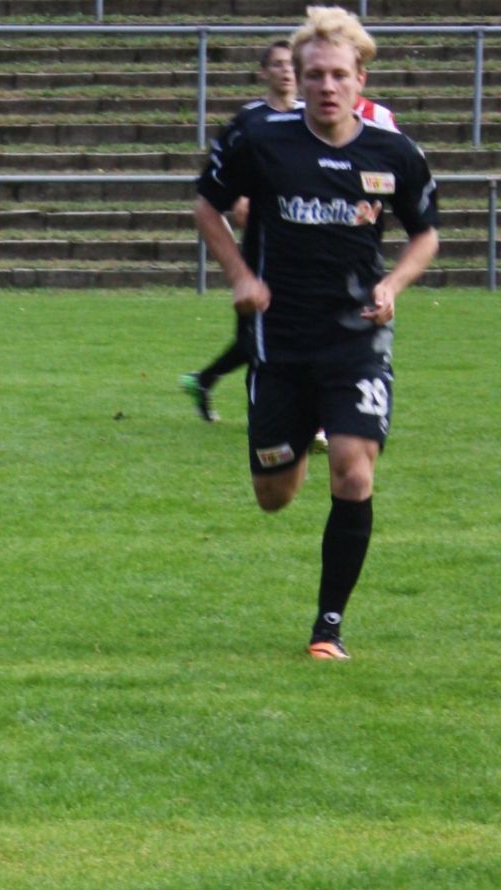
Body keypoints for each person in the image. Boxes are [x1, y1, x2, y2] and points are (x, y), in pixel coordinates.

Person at [193, 5, 439, 660]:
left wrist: (393, 285)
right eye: (314, 75)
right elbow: (206, 207)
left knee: (354, 473)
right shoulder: (260, 140)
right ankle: (293, 438)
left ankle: (327, 629)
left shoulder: (393, 152)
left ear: (361, 79)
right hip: (280, 339)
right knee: (274, 494)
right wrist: (241, 276)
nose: (327, 86)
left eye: (338, 74)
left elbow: (426, 234)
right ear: (298, 80)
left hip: (356, 337)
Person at [181, 37, 399, 446]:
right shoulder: (253, 123)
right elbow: (227, 196)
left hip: (322, 259)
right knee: (258, 337)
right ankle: (267, 408)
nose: (284, 72)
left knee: (289, 335)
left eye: (288, 64)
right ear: (266, 73)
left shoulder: (316, 120)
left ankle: (309, 414)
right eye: (278, 65)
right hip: (267, 254)